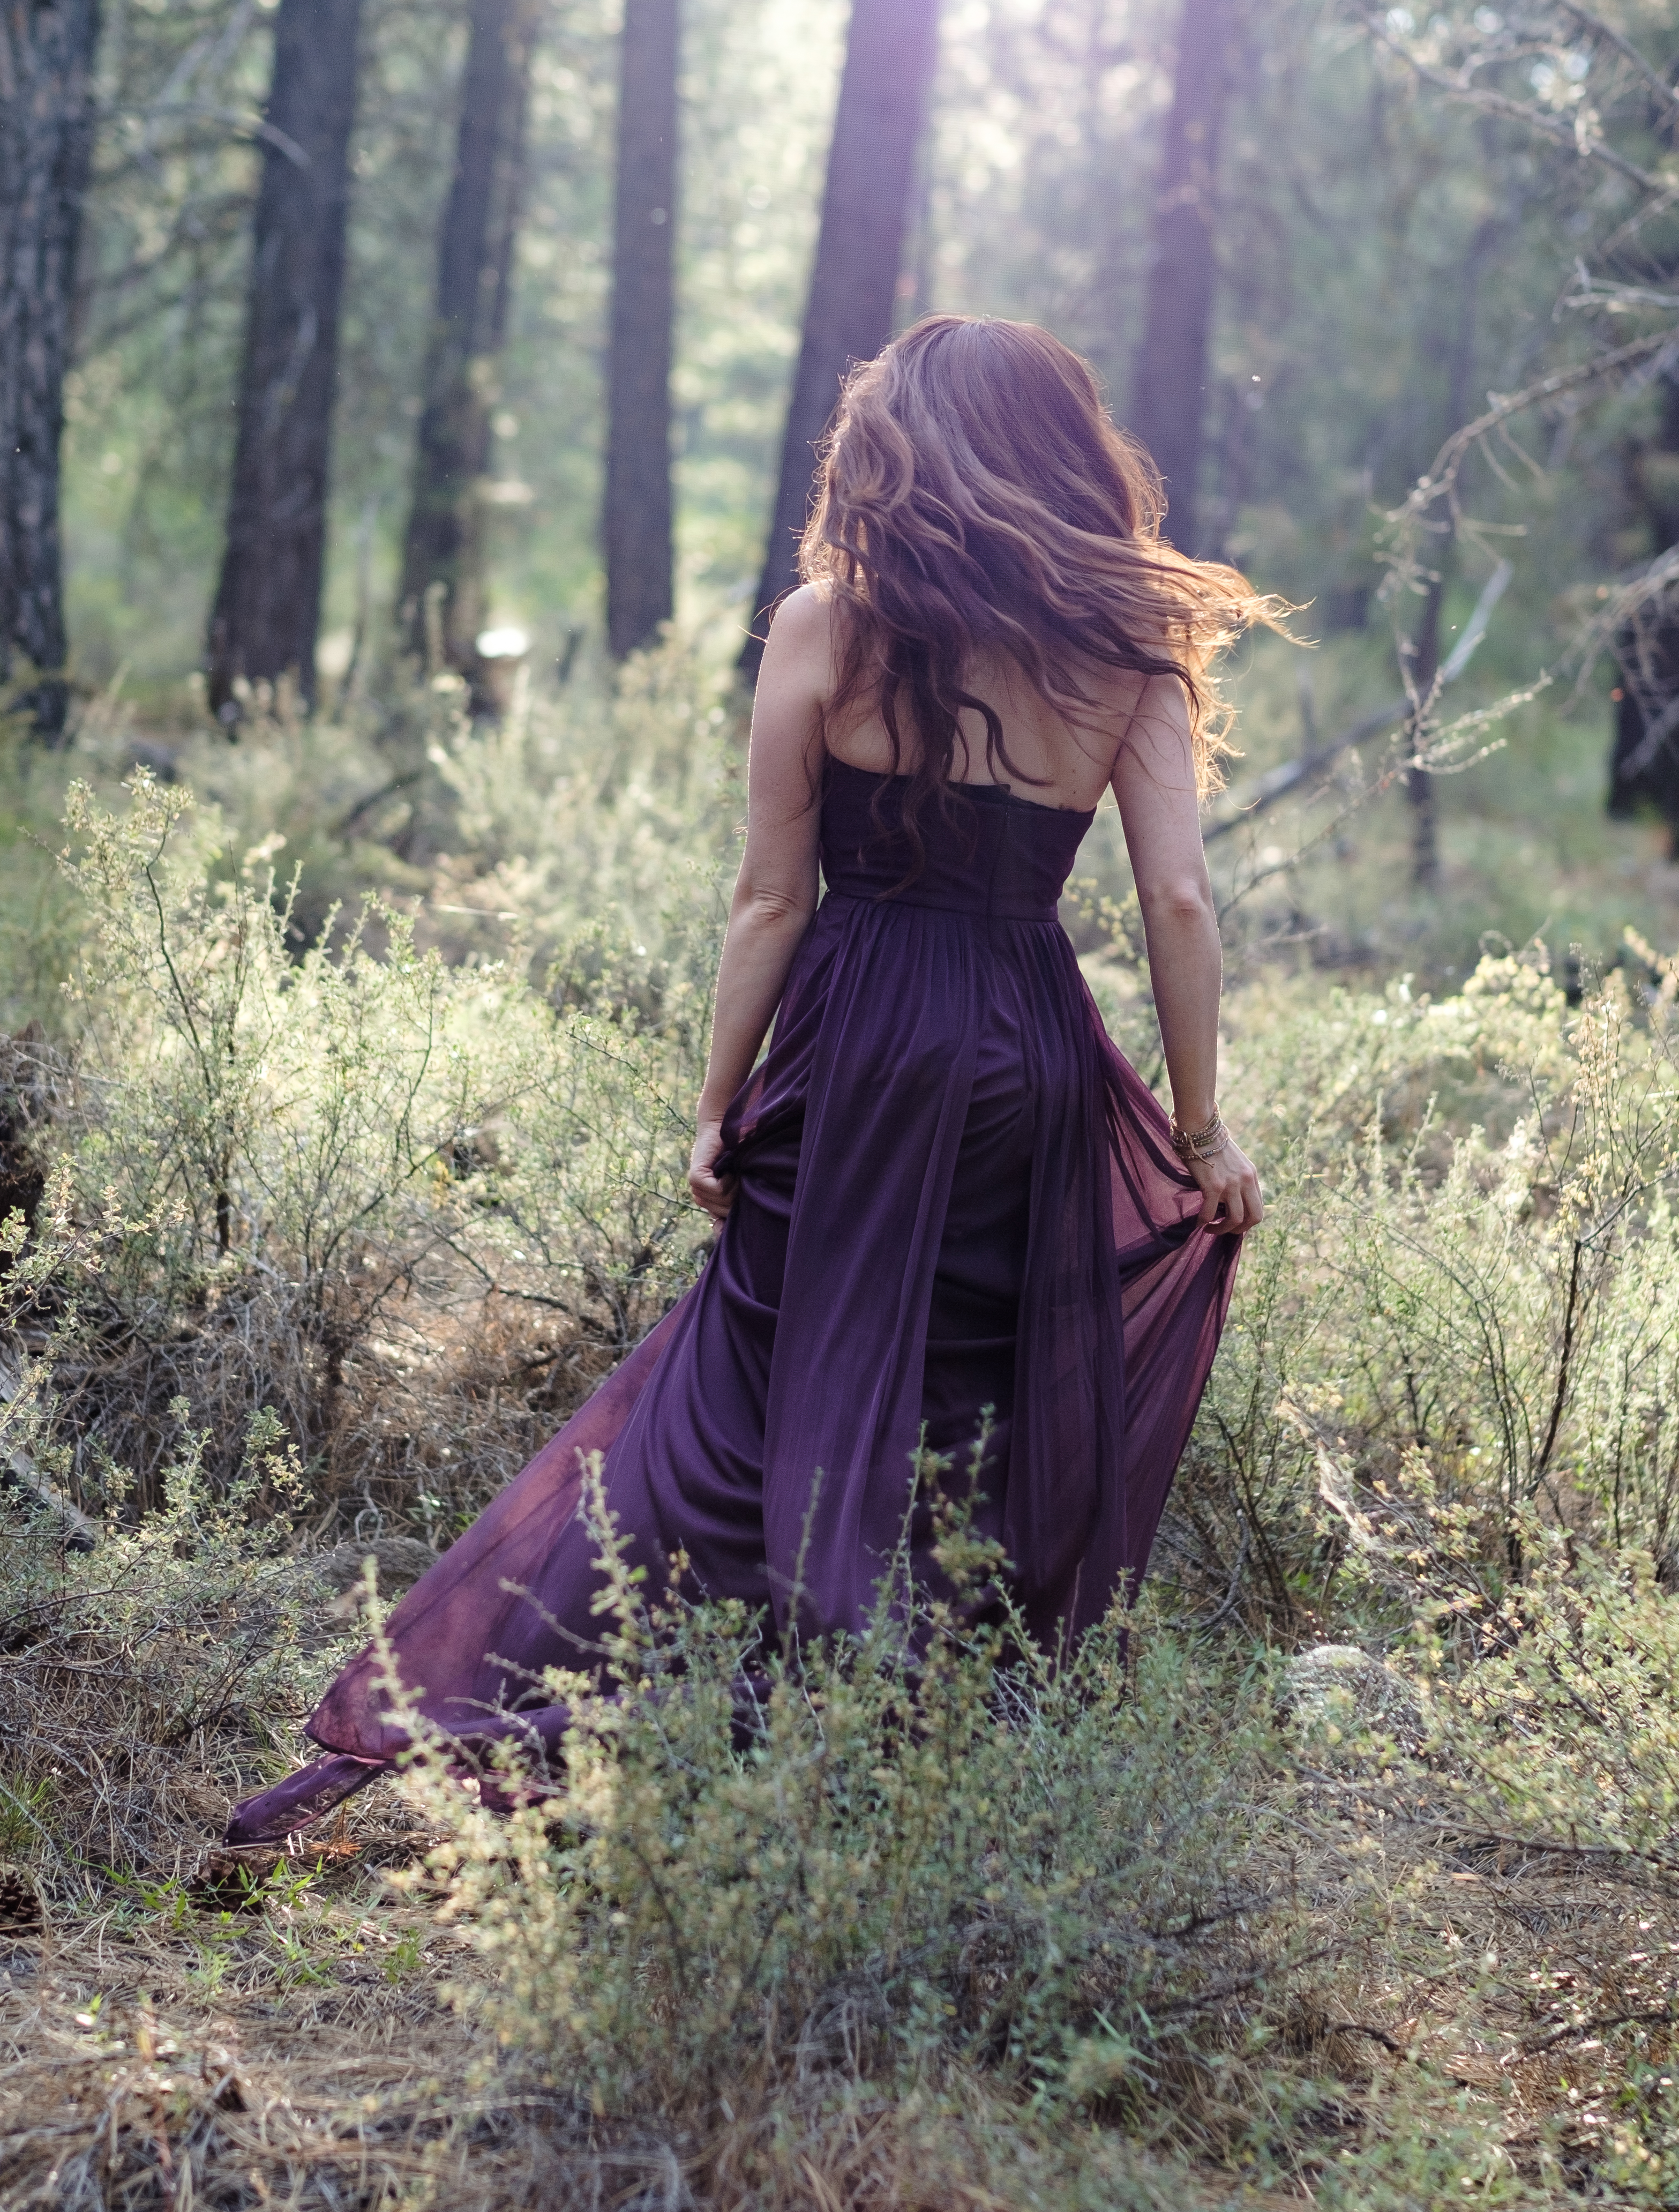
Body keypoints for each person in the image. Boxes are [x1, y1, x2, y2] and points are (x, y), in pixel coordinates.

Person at [226, 316, 1269, 1848]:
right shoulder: (1121, 647)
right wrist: (1199, 1127)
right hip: (1025, 1053)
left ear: (902, 451)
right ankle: (927, 1735)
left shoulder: (828, 627)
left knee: (748, 1383)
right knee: (971, 1393)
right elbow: (1177, 899)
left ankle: (675, 1696)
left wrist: (717, 1107)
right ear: (1064, 454)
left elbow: (772, 896)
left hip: (855, 1046)